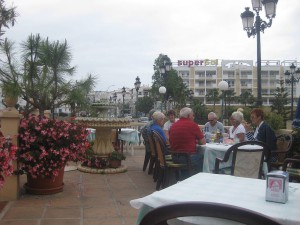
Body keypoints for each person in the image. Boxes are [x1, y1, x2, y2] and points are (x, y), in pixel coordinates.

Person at [169, 107, 206, 177]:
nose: (193, 117)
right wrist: (196, 141)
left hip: (174, 158)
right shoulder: (193, 125)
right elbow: (203, 142)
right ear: (189, 116)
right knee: (205, 158)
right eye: (193, 115)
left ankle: (185, 177)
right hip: (188, 158)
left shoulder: (173, 126)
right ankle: (198, 180)